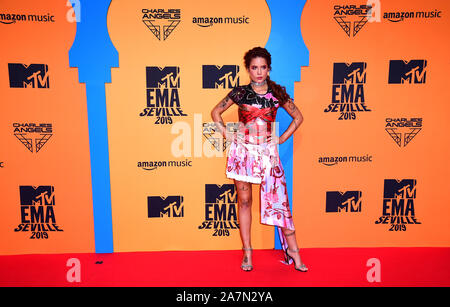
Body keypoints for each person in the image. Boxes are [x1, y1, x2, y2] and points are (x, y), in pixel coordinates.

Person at [210, 47, 307, 272]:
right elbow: (215, 113)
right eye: (254, 68)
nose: (259, 72)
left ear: (269, 68)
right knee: (244, 201)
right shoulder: (239, 93)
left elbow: (298, 117)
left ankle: (293, 251)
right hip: (242, 153)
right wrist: (227, 133)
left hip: (267, 154)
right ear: (248, 69)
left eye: (263, 67)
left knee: (279, 201)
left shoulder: (277, 93)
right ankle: (247, 252)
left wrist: (281, 138)